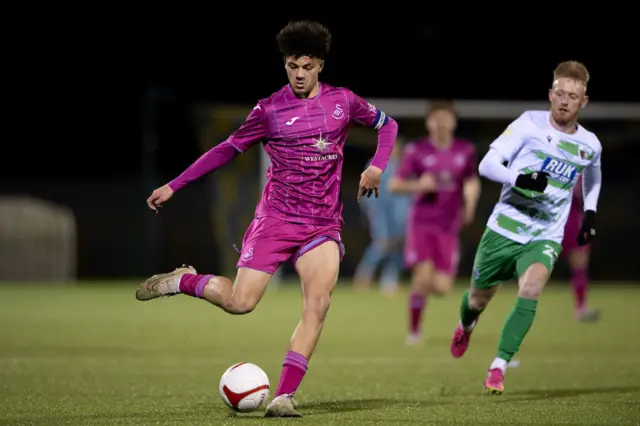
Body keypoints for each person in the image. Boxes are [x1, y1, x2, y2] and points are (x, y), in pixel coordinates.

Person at [135, 20, 398, 417]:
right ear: (285, 64)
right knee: (241, 303)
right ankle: (183, 280)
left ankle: (283, 395)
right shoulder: (270, 109)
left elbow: (388, 125)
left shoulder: (344, 101)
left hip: (322, 225)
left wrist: (377, 167)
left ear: (320, 66)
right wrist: (176, 184)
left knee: (319, 303)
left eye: (306, 66)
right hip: (275, 221)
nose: (298, 73)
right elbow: (225, 150)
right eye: (292, 65)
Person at [449, 61, 602, 394]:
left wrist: (590, 213)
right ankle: (466, 324)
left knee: (531, 289)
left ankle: (498, 366)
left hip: (545, 233)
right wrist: (518, 178)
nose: (564, 101)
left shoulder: (590, 144)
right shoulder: (528, 124)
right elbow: (487, 164)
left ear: (583, 101)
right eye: (559, 94)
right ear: (550, 94)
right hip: (504, 228)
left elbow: (593, 173)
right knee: (477, 299)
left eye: (572, 96)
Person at [388, 101, 480, 345]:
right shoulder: (416, 150)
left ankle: (463, 314)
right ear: (428, 122)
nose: (440, 122)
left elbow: (471, 181)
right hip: (422, 224)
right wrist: (418, 185)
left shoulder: (465, 150)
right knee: (422, 276)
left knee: (442, 287)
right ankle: (414, 331)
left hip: (449, 226)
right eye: (435, 118)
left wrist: (470, 203)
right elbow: (394, 184)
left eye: (445, 117)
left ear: (453, 121)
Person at [354, 142, 411, 295]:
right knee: (382, 243)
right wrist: (369, 211)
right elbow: (367, 190)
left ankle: (390, 280)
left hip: (399, 214)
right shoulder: (374, 165)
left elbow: (407, 194)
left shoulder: (403, 166)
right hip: (380, 212)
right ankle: (364, 273)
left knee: (397, 245)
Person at [562, 175, 599, 321]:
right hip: (570, 221)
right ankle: (581, 308)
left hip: (552, 220)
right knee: (579, 264)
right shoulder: (578, 170)